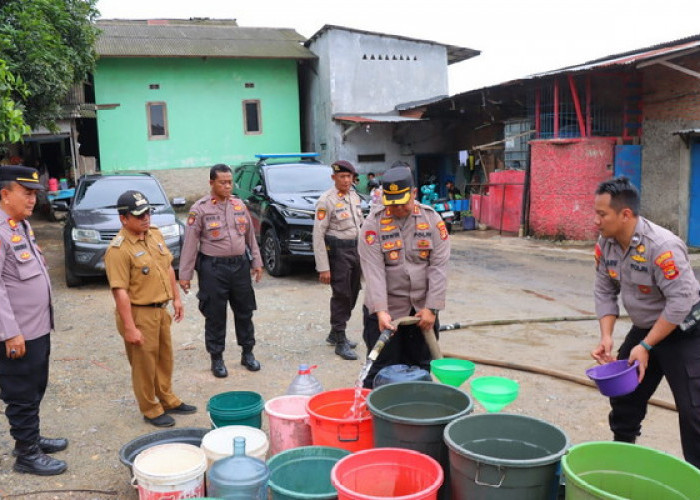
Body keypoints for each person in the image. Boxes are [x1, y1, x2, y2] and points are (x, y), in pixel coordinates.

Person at [592, 176, 700, 468]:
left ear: (625, 214)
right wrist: (607, 336)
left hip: (684, 332)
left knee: (694, 412)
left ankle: (696, 477)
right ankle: (622, 458)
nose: (597, 221)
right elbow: (604, 289)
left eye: (602, 214)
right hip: (645, 330)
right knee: (625, 396)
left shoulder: (661, 246)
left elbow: (681, 301)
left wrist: (646, 345)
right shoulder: (606, 245)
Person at [105, 190, 197, 428]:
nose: (146, 218)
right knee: (144, 365)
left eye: (147, 212)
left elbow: (167, 266)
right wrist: (129, 327)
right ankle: (150, 408)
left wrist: (176, 298)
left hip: (160, 308)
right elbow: (120, 291)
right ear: (123, 218)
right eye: (139, 215)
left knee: (164, 359)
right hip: (139, 313)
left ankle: (167, 398)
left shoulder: (153, 234)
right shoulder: (118, 249)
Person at [0, 165, 68, 475]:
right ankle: (26, 454)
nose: (32, 200)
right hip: (18, 334)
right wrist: (10, 333)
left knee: (36, 386)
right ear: (5, 194)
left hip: (36, 328)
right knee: (22, 392)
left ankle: (33, 439)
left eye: (34, 194)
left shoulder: (20, 226)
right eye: (26, 193)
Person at [358, 166, 450, 387]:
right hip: (385, 313)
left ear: (414, 193)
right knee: (380, 370)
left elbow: (438, 266)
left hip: (422, 312)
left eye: (403, 202)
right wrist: (381, 310)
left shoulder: (431, 219)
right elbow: (374, 271)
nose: (397, 209)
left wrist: (432, 308)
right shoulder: (373, 224)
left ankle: (417, 417)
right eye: (392, 204)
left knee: (421, 368)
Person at [179, 164, 263, 377]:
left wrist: (257, 262)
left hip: (240, 266)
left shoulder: (239, 205)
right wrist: (185, 275)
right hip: (213, 268)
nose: (227, 186)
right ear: (211, 183)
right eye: (222, 182)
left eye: (229, 182)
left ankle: (248, 353)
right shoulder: (200, 209)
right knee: (215, 314)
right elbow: (190, 243)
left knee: (245, 311)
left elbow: (250, 237)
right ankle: (217, 358)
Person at [312, 160, 363, 360]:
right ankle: (340, 339)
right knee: (341, 294)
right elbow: (318, 234)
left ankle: (335, 331)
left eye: (349, 176)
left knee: (354, 292)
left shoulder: (354, 196)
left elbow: (360, 224)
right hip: (338, 253)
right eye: (342, 176)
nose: (346, 180)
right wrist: (323, 267)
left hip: (355, 250)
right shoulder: (326, 200)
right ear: (334, 178)